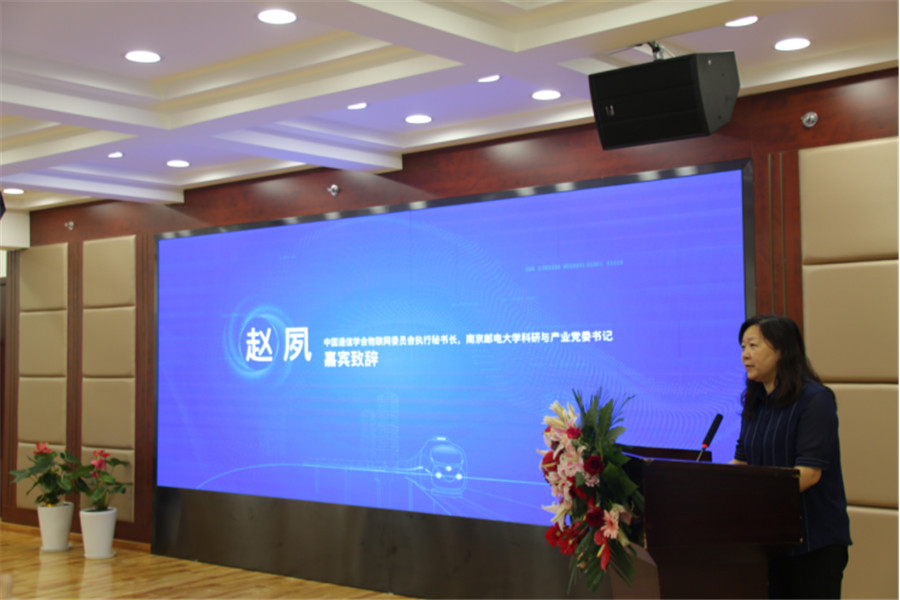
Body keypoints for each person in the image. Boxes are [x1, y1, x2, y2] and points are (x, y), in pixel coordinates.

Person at [731, 314, 851, 599]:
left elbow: (809, 473)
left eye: (753, 345)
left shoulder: (815, 400)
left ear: (782, 349)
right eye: (743, 347)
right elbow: (741, 464)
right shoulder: (755, 402)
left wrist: (753, 495)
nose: (745, 355)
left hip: (813, 544)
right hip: (768, 543)